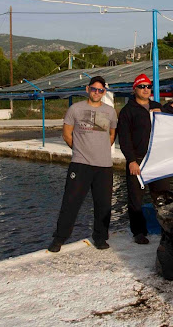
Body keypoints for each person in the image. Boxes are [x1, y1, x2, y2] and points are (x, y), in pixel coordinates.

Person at [48, 76, 117, 252]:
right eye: (94, 89)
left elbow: (111, 135)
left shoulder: (110, 112)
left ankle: (100, 237)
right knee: (70, 202)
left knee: (103, 205)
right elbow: (67, 134)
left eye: (100, 90)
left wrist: (100, 150)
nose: (96, 92)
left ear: (104, 92)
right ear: (88, 89)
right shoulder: (75, 109)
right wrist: (80, 149)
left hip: (104, 166)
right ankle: (59, 238)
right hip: (80, 164)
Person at [118, 73, 169, 245]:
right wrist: (131, 160)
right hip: (138, 160)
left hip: (157, 159)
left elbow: (171, 128)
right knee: (136, 198)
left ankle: (166, 229)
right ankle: (138, 232)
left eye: (148, 86)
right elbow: (124, 138)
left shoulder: (157, 106)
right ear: (135, 89)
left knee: (162, 196)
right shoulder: (127, 111)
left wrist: (162, 116)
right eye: (142, 86)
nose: (146, 89)